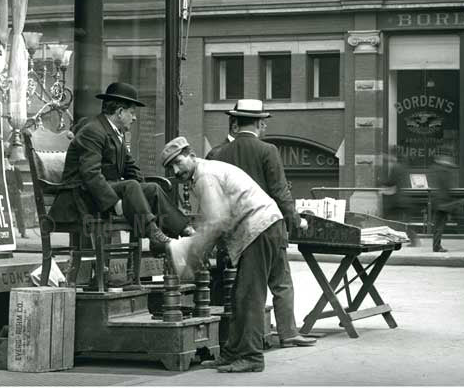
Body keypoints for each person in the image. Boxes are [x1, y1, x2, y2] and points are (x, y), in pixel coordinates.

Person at [162, 136, 298, 373]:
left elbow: (216, 220)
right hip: (262, 227)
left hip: (260, 227)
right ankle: (232, 353)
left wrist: (191, 251)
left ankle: (252, 357)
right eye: (170, 168)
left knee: (249, 296)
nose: (175, 171)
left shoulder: (205, 176)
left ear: (191, 154)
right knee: (238, 296)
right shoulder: (202, 174)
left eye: (178, 162)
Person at [212, 99, 316, 348]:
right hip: (269, 225)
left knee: (250, 287)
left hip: (239, 230)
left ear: (236, 122)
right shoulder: (268, 151)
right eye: (264, 122)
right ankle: (288, 333)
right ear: (259, 123)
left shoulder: (217, 154)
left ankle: (252, 336)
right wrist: (296, 221)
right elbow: (280, 192)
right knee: (281, 281)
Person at [48, 82, 191, 251]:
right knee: (130, 186)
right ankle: (155, 235)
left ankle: (185, 231)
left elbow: (131, 169)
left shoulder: (114, 133)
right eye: (132, 112)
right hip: (79, 198)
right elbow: (90, 174)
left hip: (96, 194)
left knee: (152, 188)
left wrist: (143, 193)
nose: (135, 117)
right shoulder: (92, 131)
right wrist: (114, 202)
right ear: (120, 112)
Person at [380, 146, 419, 246]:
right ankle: (413, 239)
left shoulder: (396, 167)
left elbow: (391, 181)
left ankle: (396, 239)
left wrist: (381, 182)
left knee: (391, 219)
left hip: (398, 199)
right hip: (405, 198)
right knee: (404, 221)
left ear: (393, 156)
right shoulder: (404, 166)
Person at [430, 151, 457, 253]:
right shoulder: (445, 171)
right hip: (443, 202)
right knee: (440, 225)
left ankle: (436, 245)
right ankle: (437, 246)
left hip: (437, 201)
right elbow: (448, 187)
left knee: (437, 225)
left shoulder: (435, 169)